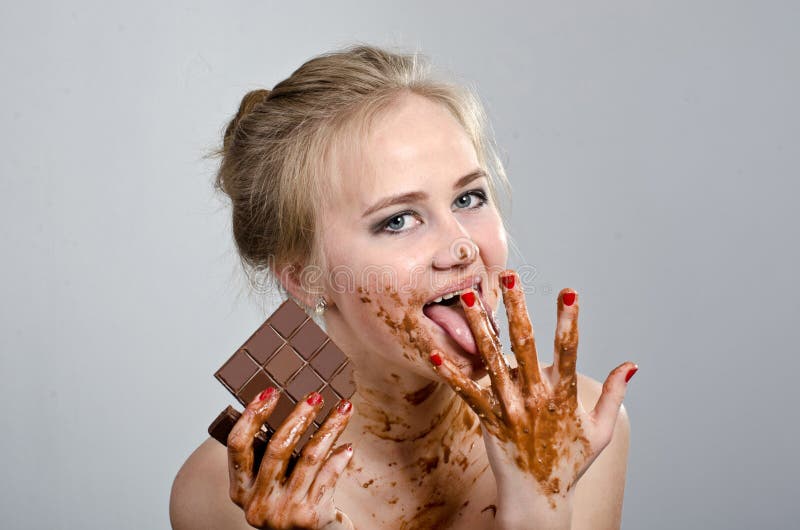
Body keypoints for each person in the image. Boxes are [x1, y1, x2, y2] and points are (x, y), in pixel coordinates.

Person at [169, 44, 637, 530]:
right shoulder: (220, 495)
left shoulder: (577, 427)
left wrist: (539, 506)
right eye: (398, 221)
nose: (461, 245)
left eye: (469, 196)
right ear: (303, 277)